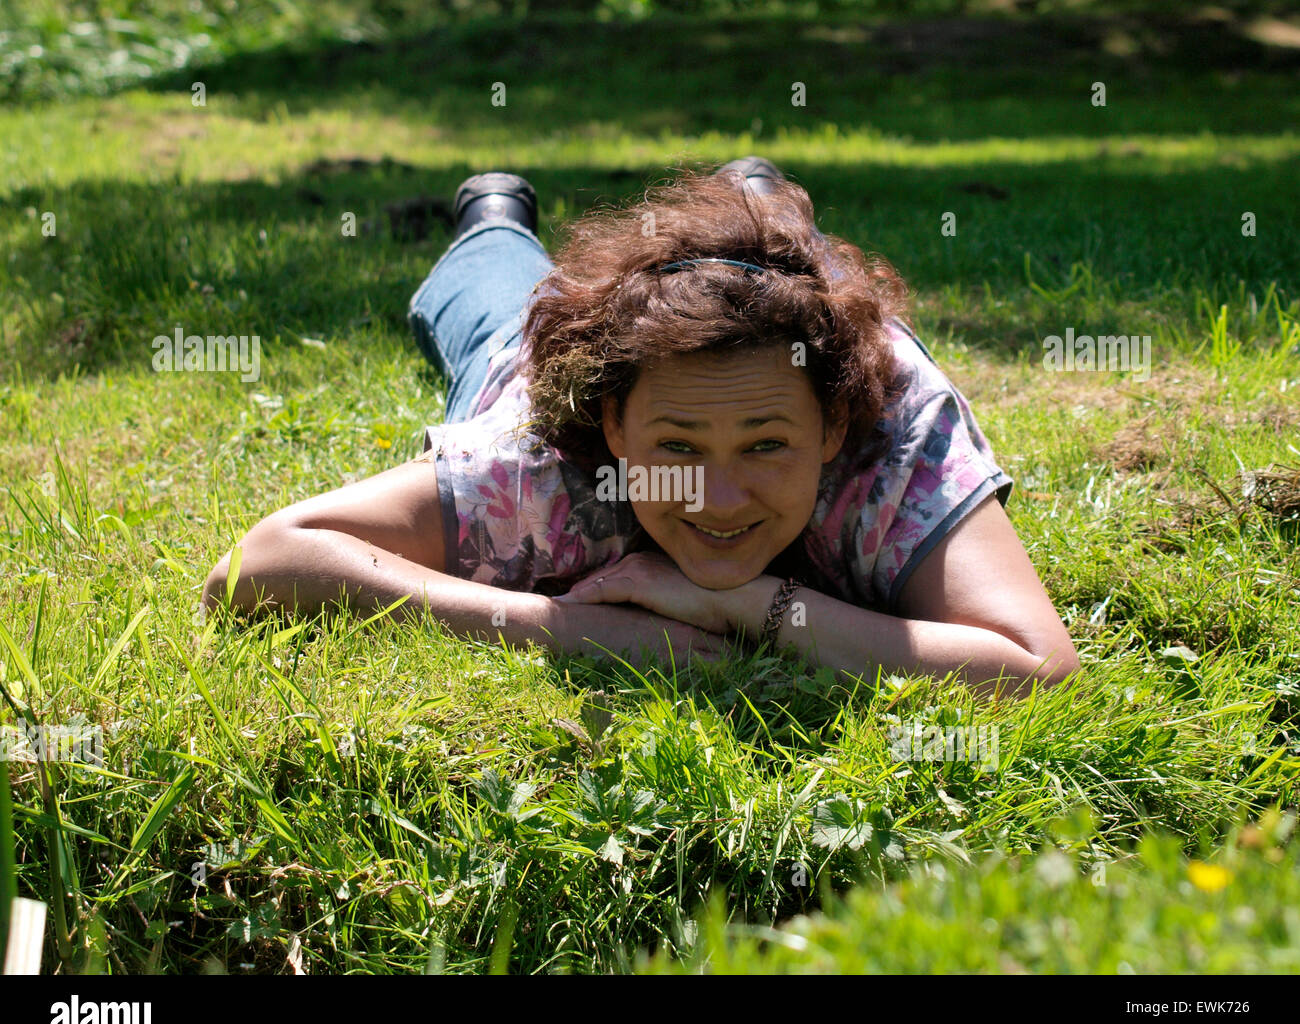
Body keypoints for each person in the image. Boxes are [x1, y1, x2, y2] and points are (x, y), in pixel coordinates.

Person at [202, 158, 1080, 696]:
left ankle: (759, 201)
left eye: (768, 444)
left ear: (833, 422)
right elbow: (259, 562)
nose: (721, 498)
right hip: (535, 349)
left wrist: (755, 607)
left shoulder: (894, 440)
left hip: (815, 321)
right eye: (678, 449)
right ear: (616, 427)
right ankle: (493, 219)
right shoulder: (547, 456)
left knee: (800, 263)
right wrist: (567, 629)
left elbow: (1039, 669)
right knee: (504, 310)